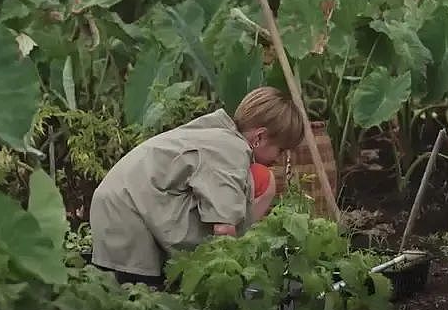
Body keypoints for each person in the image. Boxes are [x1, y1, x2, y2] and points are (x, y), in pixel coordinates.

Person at [88, 86, 303, 286]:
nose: (280, 158)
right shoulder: (232, 150)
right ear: (260, 137)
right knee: (138, 300)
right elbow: (224, 229)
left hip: (119, 203)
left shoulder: (217, 135)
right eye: (281, 149)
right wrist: (235, 279)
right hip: (127, 212)